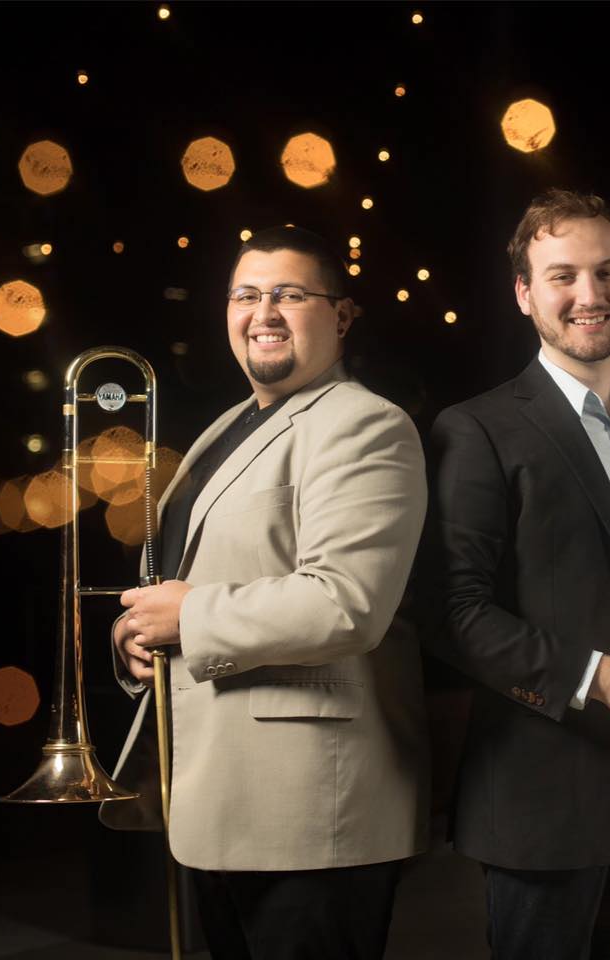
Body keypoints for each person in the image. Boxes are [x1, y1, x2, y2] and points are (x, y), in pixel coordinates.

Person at [103, 225, 429, 960]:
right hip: (219, 797)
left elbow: (346, 602)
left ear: (341, 316)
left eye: (289, 294)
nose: (264, 313)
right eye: (245, 295)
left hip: (309, 812)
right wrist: (139, 633)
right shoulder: (230, 426)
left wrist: (189, 615)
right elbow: (198, 574)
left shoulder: (366, 424)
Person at [424, 189, 610, 960]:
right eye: (562, 276)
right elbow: (451, 612)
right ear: (523, 294)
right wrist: (600, 679)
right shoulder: (477, 428)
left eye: (607, 272)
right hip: (547, 797)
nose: (590, 295)